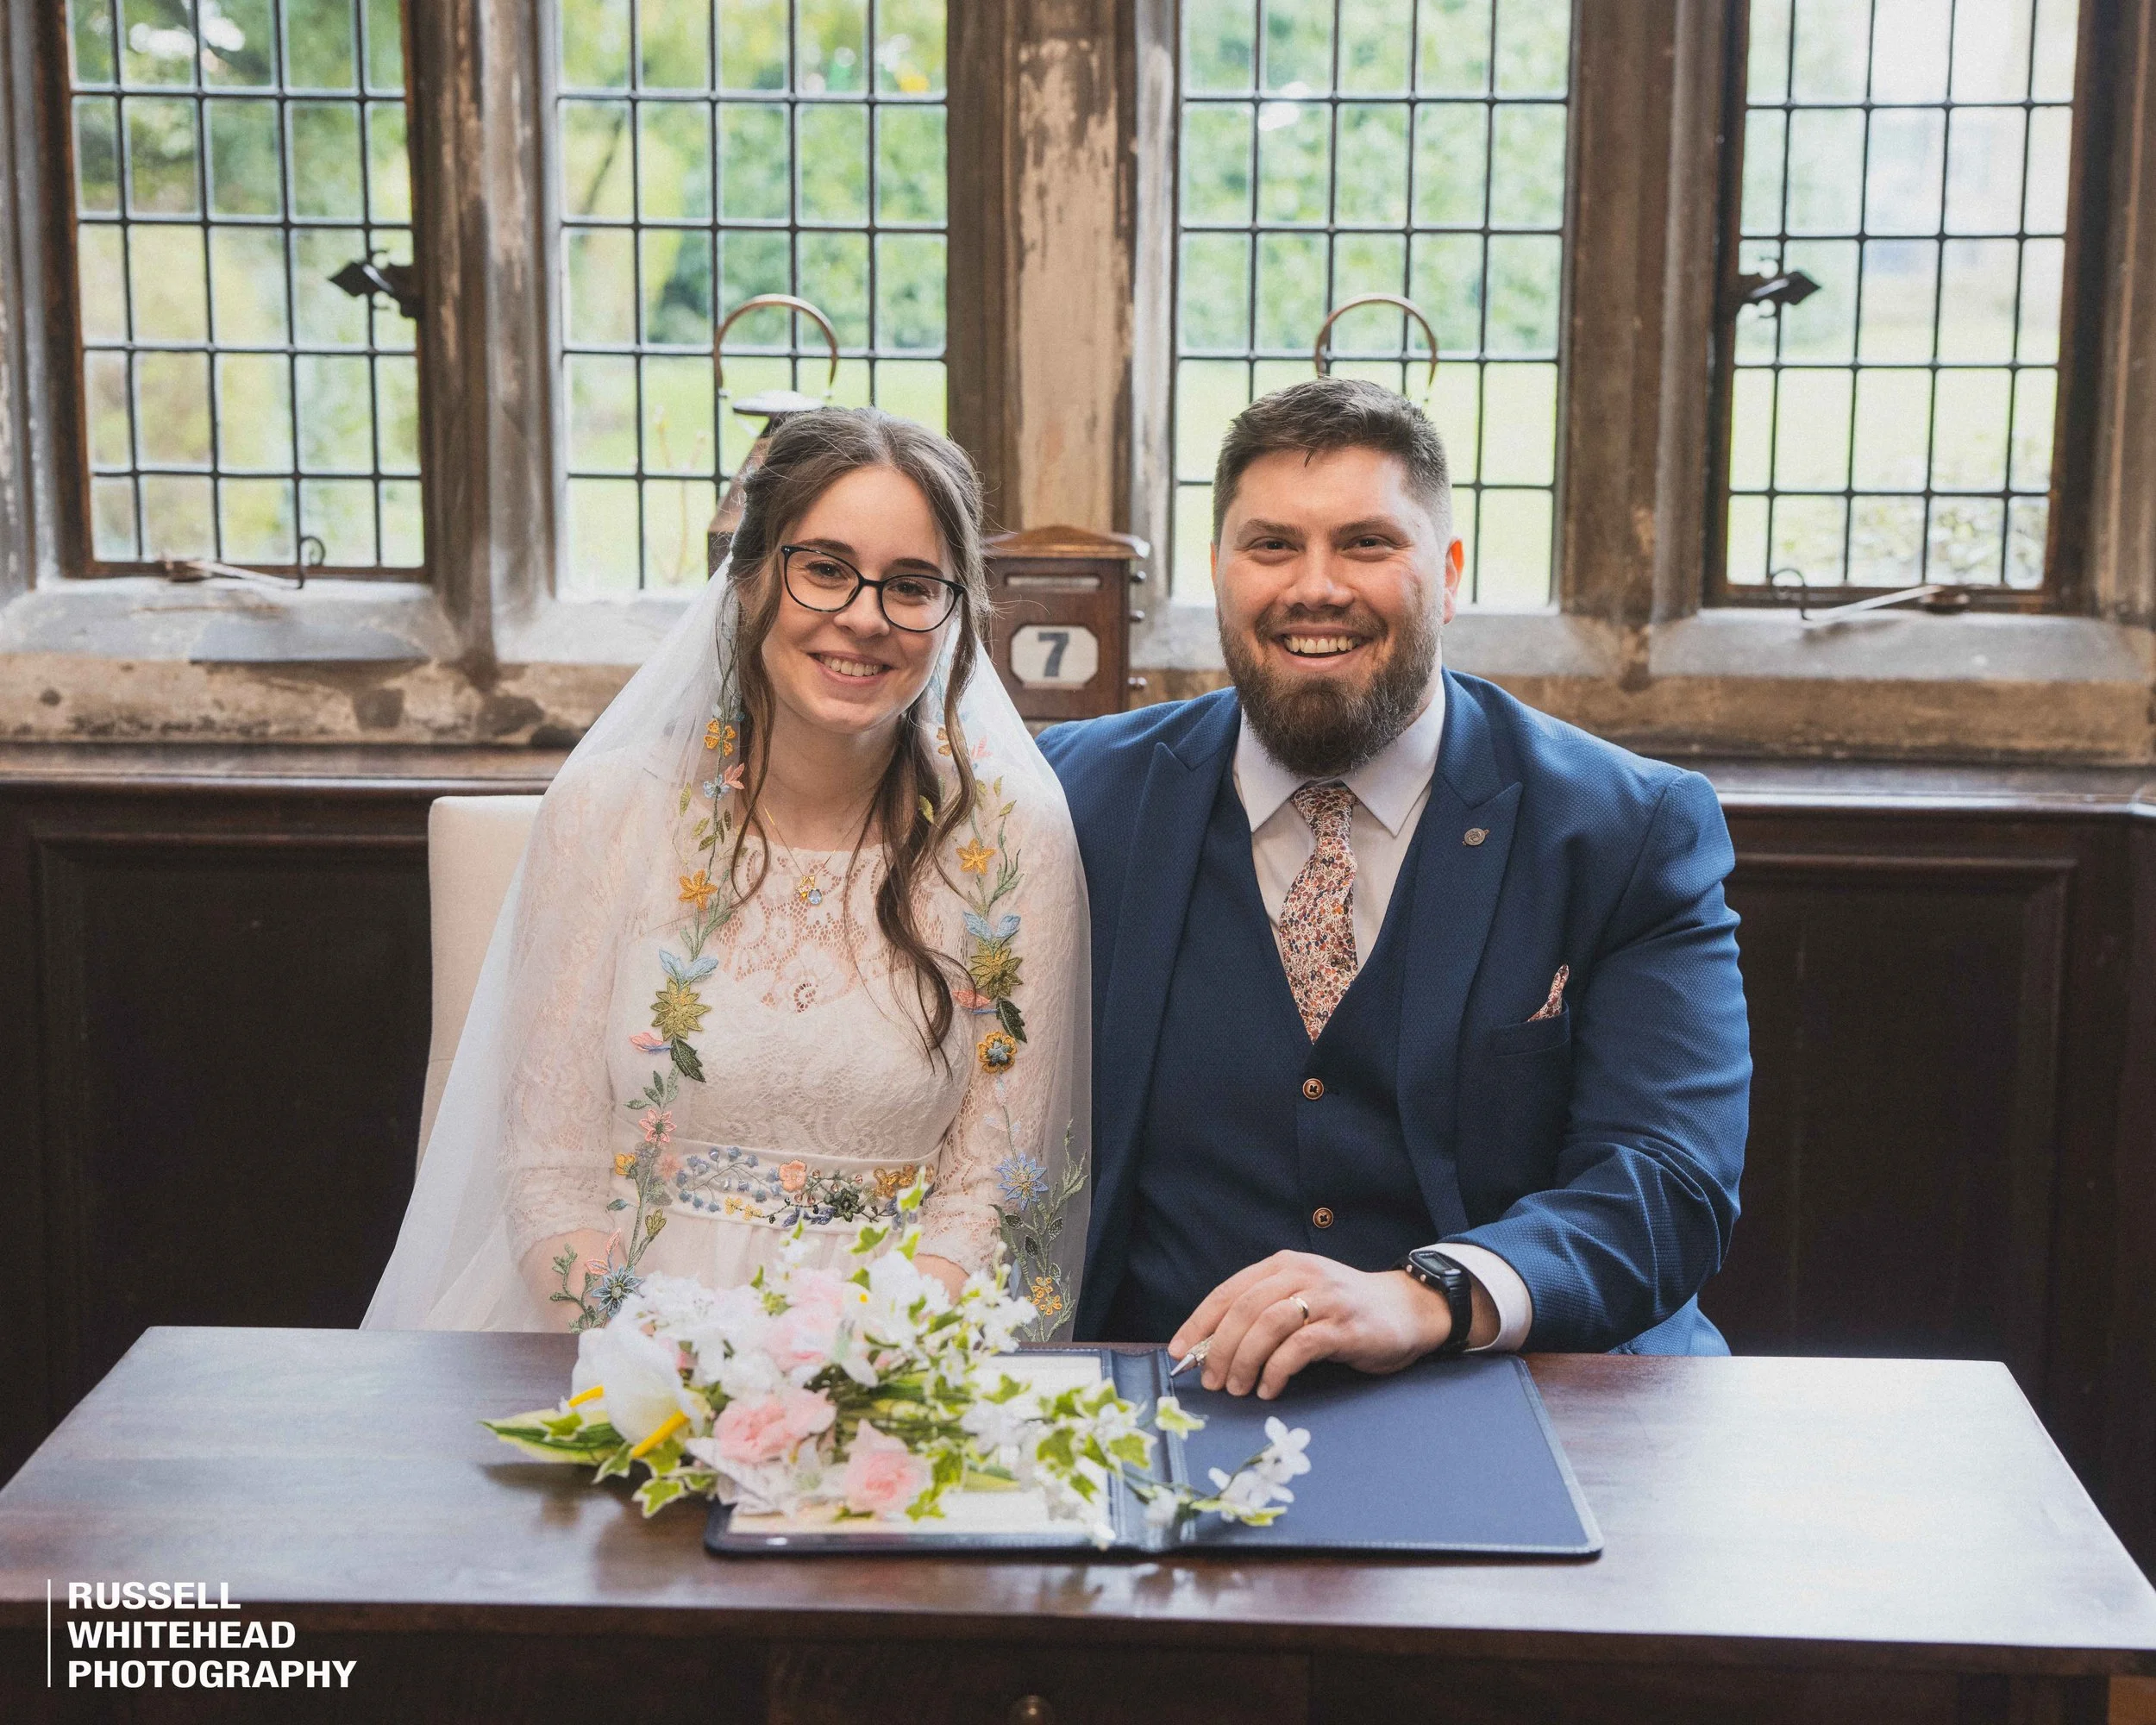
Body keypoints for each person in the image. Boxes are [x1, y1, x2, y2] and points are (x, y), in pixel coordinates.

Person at [1039, 377, 1748, 1397]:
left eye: (1366, 543)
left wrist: (1431, 1296)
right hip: (1165, 1390)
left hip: (1522, 1386)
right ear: (1220, 572)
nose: (1314, 586)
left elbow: (1666, 1182)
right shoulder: (1070, 798)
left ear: (1447, 575)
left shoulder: (1625, 829)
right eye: (1270, 545)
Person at [366, 410, 1089, 1333]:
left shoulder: (1012, 839)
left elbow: (994, 1191)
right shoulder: (608, 810)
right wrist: (677, 1368)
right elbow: (551, 1176)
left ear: (952, 612)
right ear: (747, 581)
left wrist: (854, 1369)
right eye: (823, 568)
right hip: (606, 1340)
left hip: (903, 1349)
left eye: (911, 586)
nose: (865, 617)